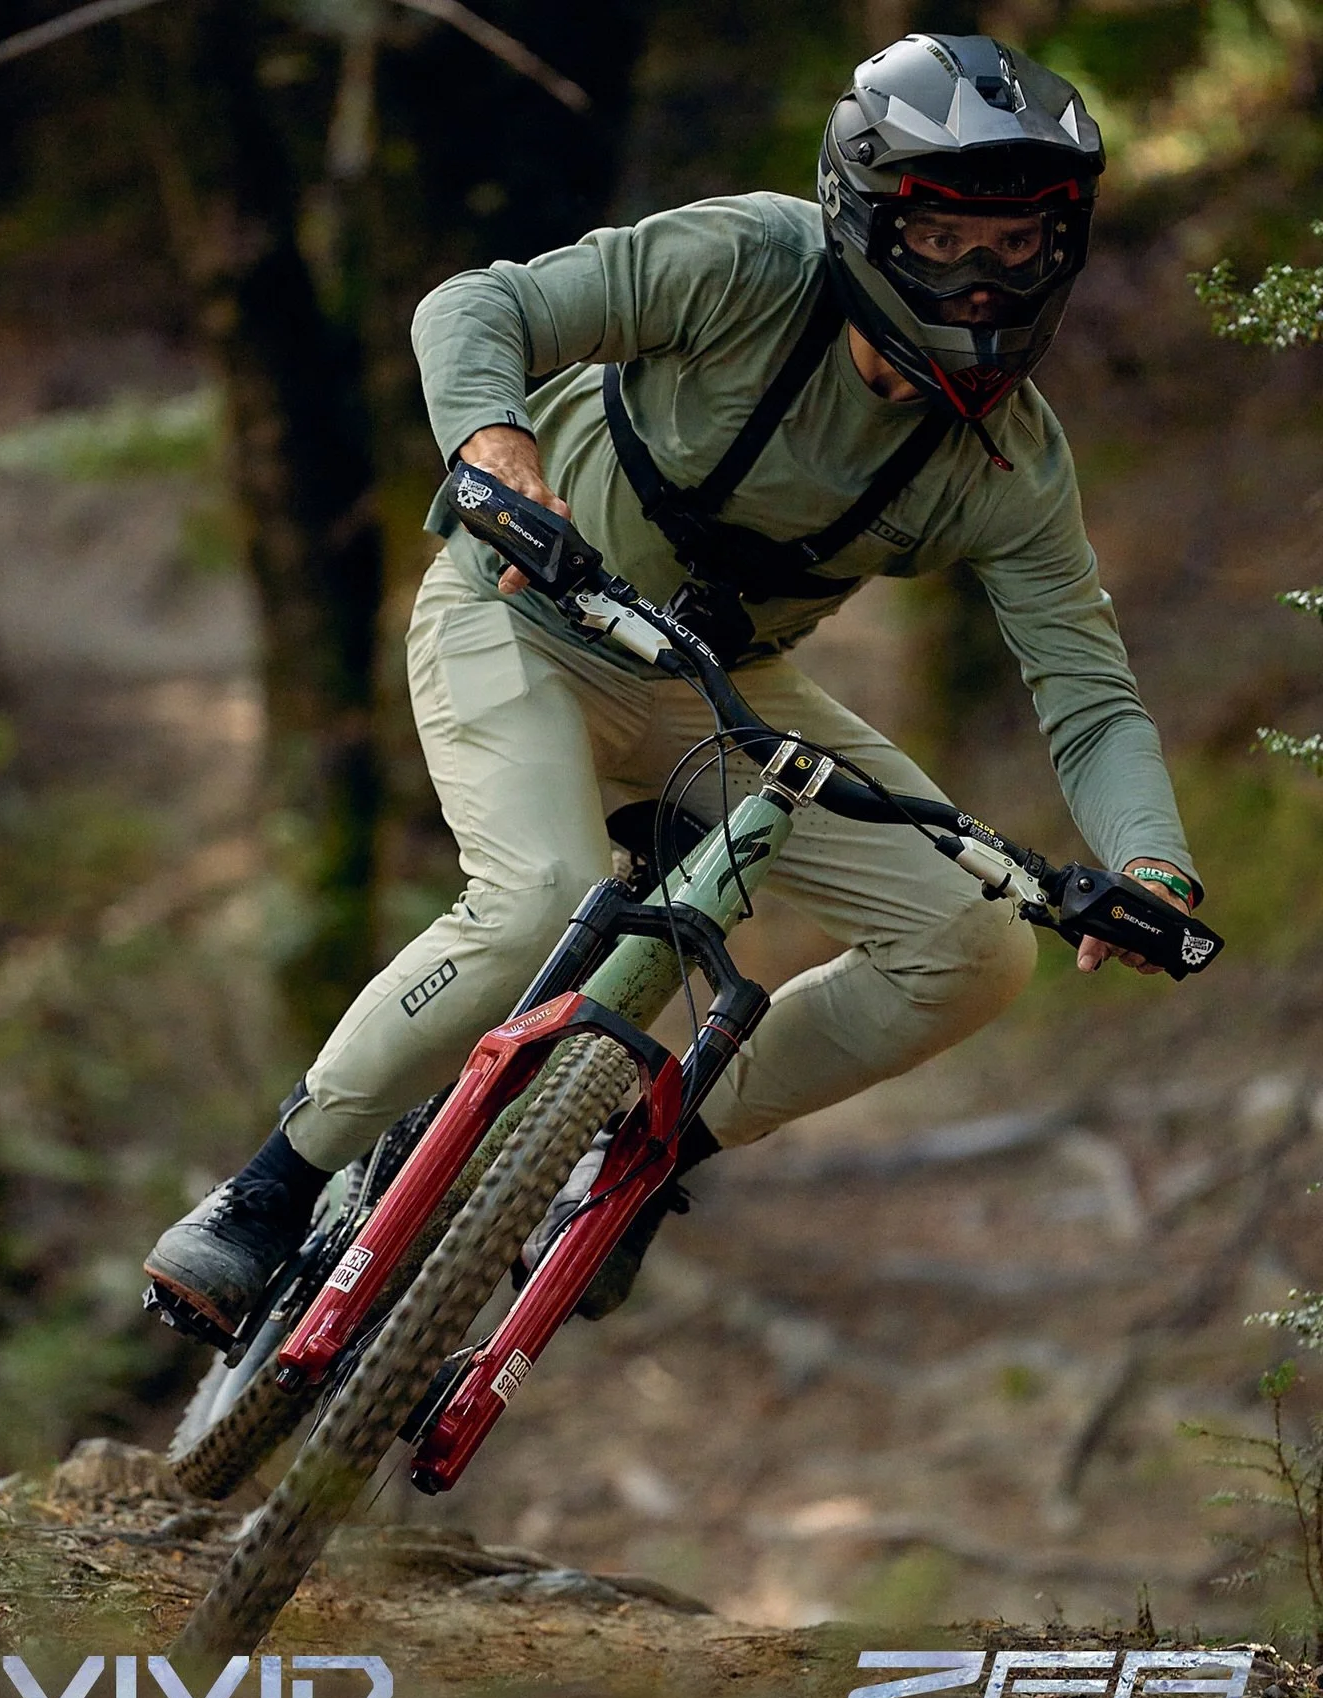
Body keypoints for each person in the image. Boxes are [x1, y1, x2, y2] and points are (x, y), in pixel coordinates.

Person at [144, 32, 1200, 1337]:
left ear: (1066, 245)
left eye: (1019, 244)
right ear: (869, 218)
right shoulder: (749, 262)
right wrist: (494, 447)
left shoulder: (1014, 466)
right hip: (523, 617)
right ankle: (266, 1193)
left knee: (974, 949)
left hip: (720, 689)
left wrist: (1148, 864)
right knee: (533, 899)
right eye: (947, 241)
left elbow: (1087, 693)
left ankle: (637, 1157)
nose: (985, 279)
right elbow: (480, 307)